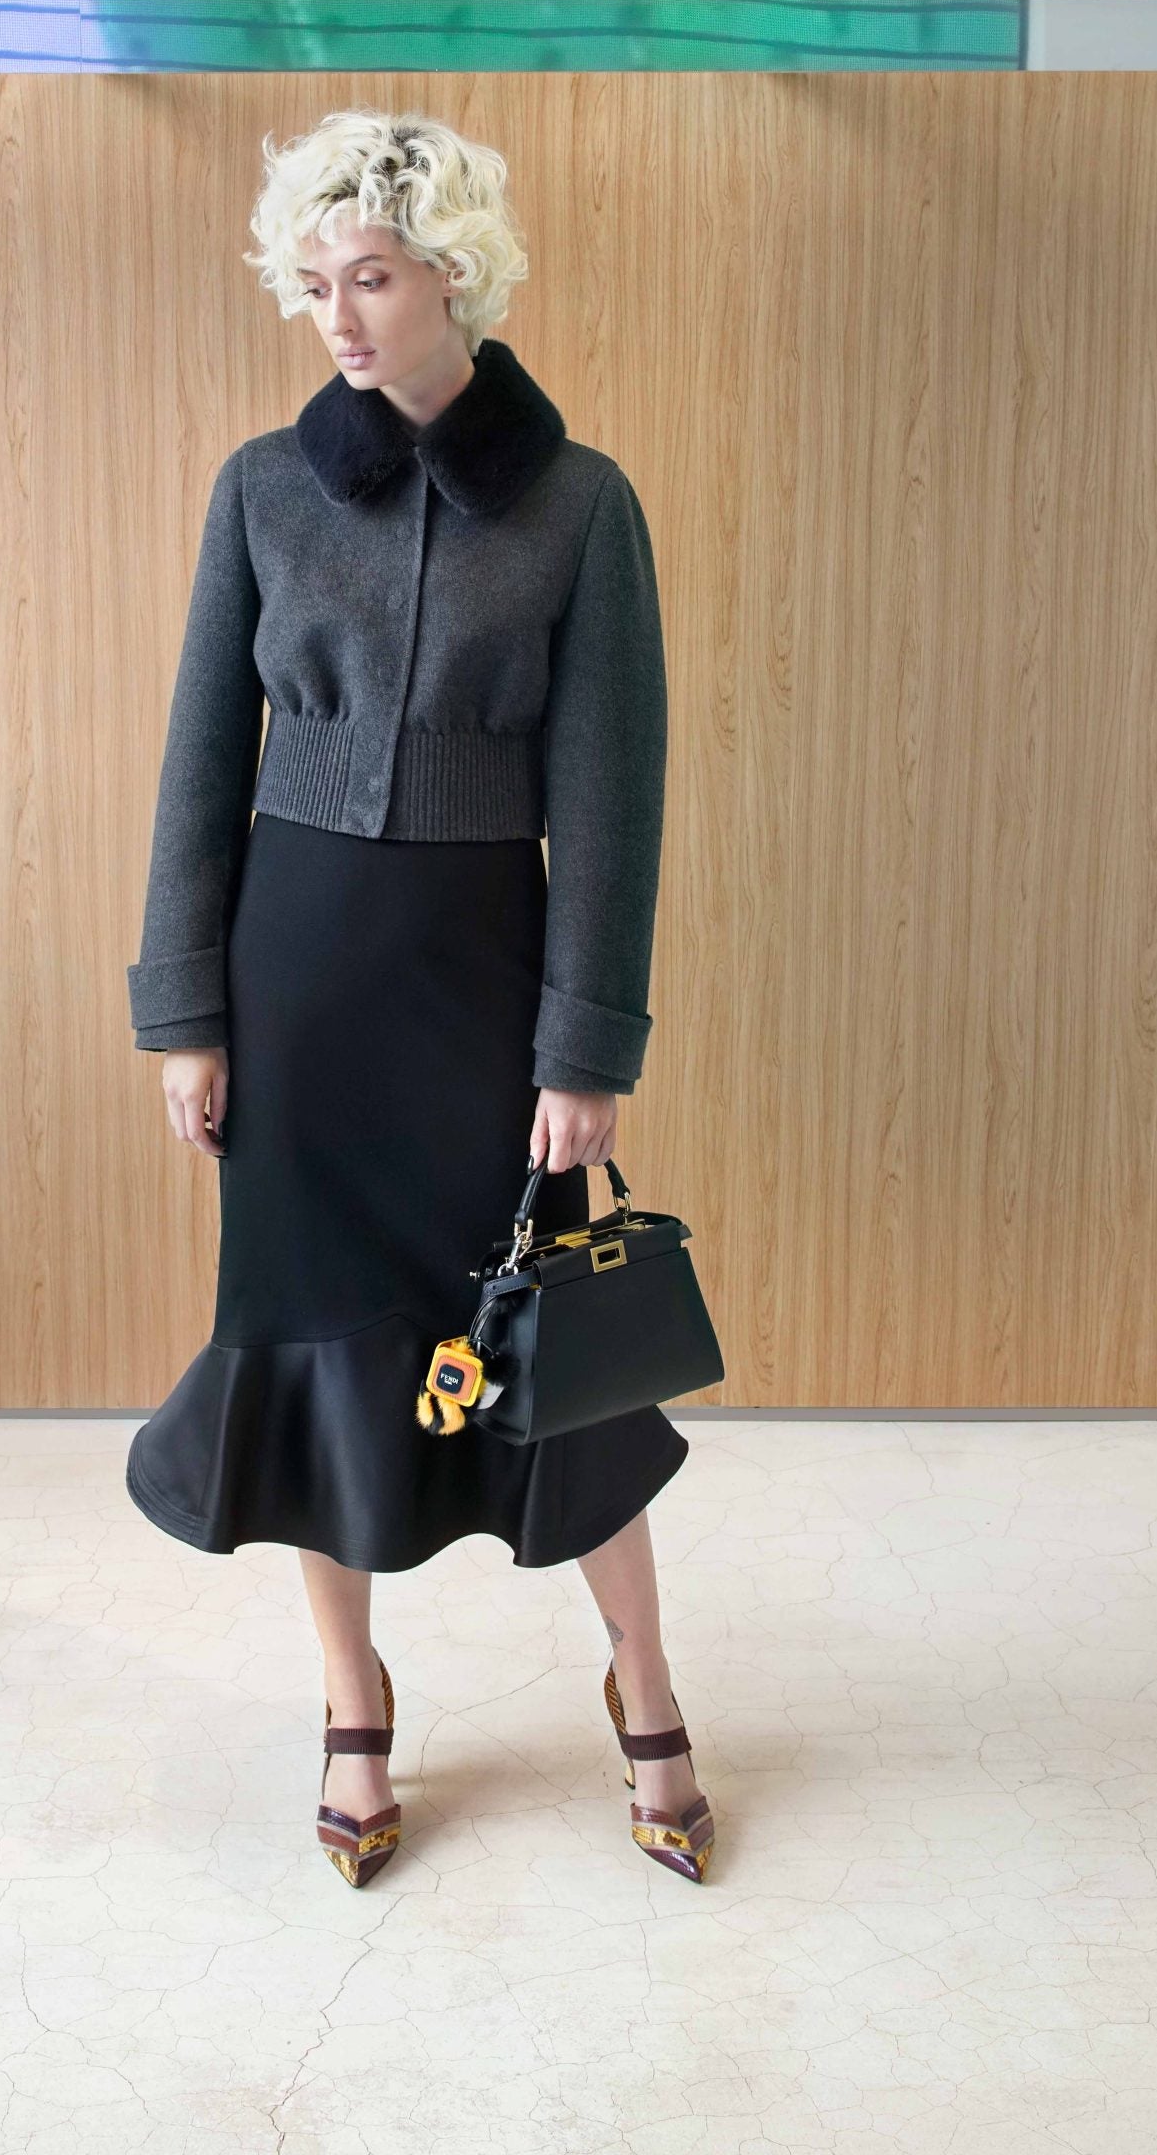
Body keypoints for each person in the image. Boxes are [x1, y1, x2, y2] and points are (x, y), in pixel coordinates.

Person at [124, 110, 712, 1886]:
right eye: (313, 284)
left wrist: (585, 1044)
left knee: (557, 1354)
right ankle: (351, 1694)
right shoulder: (263, 488)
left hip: (482, 980)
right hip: (297, 983)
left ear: (455, 272)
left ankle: (644, 1678)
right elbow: (198, 763)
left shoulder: (583, 504)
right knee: (311, 1350)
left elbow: (611, 800)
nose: (339, 318)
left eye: (369, 277)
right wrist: (186, 1012)